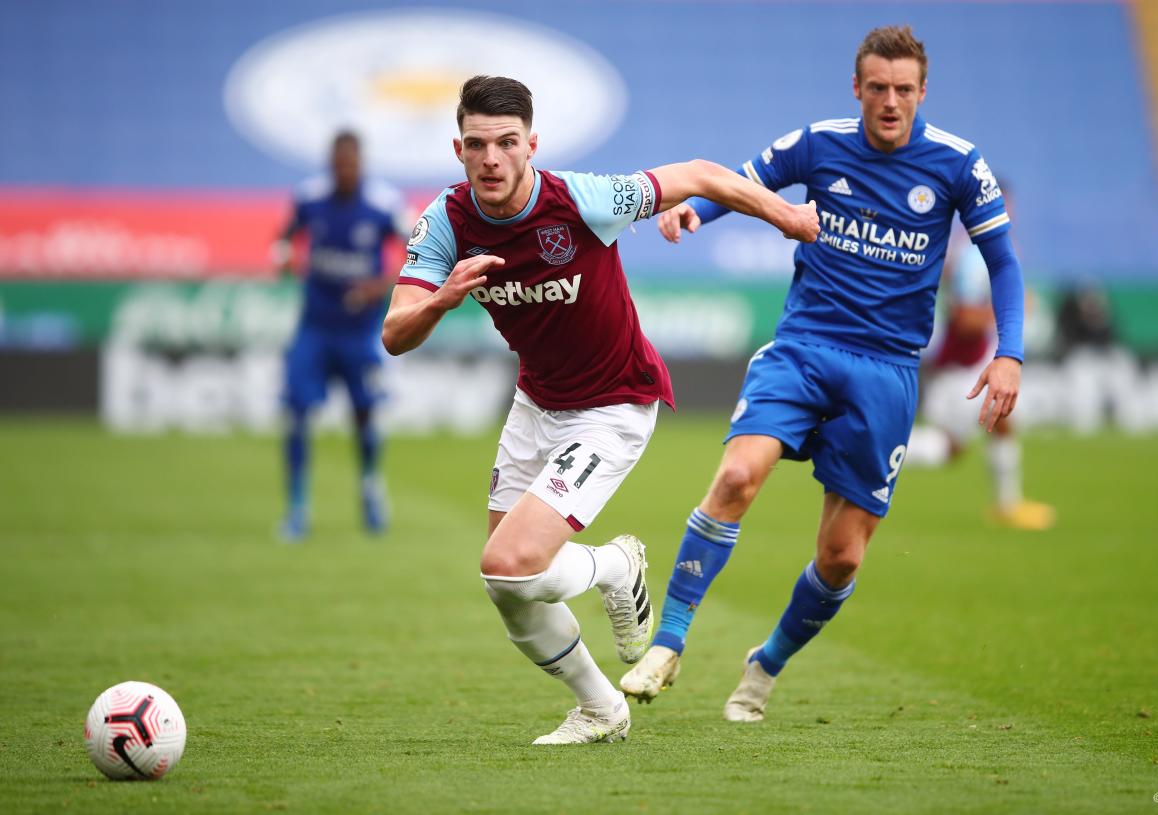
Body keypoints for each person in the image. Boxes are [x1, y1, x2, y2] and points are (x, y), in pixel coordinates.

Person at [380, 75, 820, 744]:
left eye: (505, 143)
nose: (491, 158)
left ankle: (616, 564)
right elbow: (395, 333)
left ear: (532, 144)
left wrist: (787, 217)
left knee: (508, 563)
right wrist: (442, 299)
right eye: (476, 145)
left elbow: (700, 174)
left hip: (613, 403)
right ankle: (599, 707)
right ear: (458, 148)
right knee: (508, 582)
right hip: (537, 402)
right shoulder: (446, 221)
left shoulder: (583, 199)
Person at [620, 25, 1026, 722]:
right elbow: (740, 183)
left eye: (903, 89)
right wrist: (695, 209)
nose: (890, 101)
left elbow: (1004, 263)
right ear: (857, 87)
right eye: (877, 88)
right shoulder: (818, 142)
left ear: (922, 92)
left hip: (888, 372)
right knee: (738, 475)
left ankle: (767, 660)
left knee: (840, 557)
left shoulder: (958, 164)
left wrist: (1010, 351)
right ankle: (669, 641)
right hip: (804, 346)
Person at [274, 130, 404, 541]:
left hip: (360, 332)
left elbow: (419, 251)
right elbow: (284, 237)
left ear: (360, 164)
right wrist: (282, 257)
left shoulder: (383, 204)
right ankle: (297, 507)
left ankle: (370, 488)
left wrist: (380, 284)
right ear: (331, 165)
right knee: (296, 412)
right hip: (315, 326)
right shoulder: (309, 197)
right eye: (338, 164)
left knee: (364, 414)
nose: (344, 171)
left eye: (351, 164)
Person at [906, 189, 1055, 530]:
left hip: (965, 364)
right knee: (949, 447)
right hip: (960, 369)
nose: (1008, 213)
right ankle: (873, 453)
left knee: (999, 423)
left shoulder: (973, 249)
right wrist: (1012, 311)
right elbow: (965, 319)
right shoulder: (975, 255)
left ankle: (1008, 504)